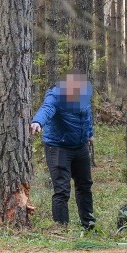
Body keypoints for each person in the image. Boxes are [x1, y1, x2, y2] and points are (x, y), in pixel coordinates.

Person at [30, 71, 96, 231]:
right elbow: (47, 109)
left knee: (85, 186)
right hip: (58, 147)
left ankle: (89, 226)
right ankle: (62, 229)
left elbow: (87, 116)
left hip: (80, 146)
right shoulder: (56, 96)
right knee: (62, 189)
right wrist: (38, 122)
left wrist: (89, 134)